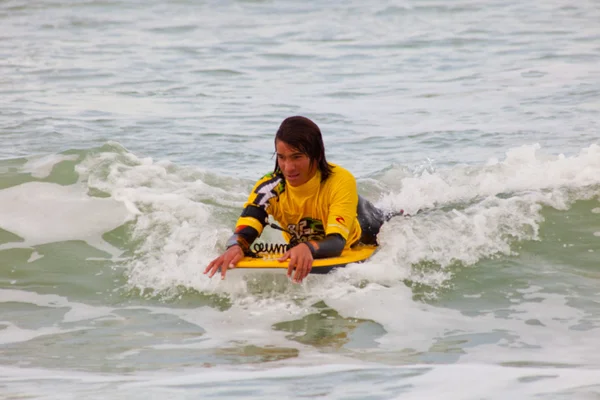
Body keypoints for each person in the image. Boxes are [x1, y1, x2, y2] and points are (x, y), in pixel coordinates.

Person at [204, 116, 386, 283]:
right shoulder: (269, 187)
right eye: (281, 157)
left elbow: (337, 242)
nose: (288, 167)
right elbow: (245, 229)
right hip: (315, 238)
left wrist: (308, 247)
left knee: (391, 220)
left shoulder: (340, 180)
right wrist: (235, 246)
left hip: (363, 226)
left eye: (297, 157)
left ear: (316, 155)